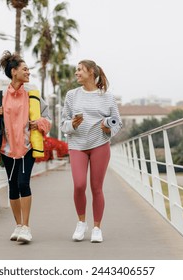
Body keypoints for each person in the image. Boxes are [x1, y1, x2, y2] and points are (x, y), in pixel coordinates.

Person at [0, 51, 51, 243]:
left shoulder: (32, 97)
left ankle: (26, 227)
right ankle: (17, 226)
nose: (28, 72)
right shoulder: (0, 97)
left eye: (28, 70)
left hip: (26, 147)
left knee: (24, 184)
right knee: (12, 187)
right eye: (25, 69)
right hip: (7, 150)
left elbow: (47, 120)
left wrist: (38, 122)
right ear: (13, 72)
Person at [61, 59, 122, 243]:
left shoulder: (107, 96)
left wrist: (108, 129)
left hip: (100, 145)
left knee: (96, 188)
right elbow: (63, 124)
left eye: (80, 70)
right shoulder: (72, 95)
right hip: (77, 144)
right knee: (79, 185)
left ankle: (97, 228)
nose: (77, 73)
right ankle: (81, 223)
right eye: (76, 70)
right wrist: (72, 124)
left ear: (91, 72)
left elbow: (117, 122)